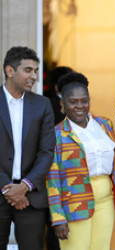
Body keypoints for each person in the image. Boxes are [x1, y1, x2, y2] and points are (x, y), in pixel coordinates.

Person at [46, 72, 115, 250]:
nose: (79, 106)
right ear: (62, 104)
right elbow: (52, 179)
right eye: (72, 102)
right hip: (74, 204)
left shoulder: (105, 125)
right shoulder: (56, 135)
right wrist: (57, 217)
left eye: (84, 101)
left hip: (105, 201)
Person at [0, 46, 55, 249]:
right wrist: (8, 189)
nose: (34, 76)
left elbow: (47, 151)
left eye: (36, 71)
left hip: (31, 197)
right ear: (10, 71)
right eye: (28, 70)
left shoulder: (43, 105)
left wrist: (24, 186)